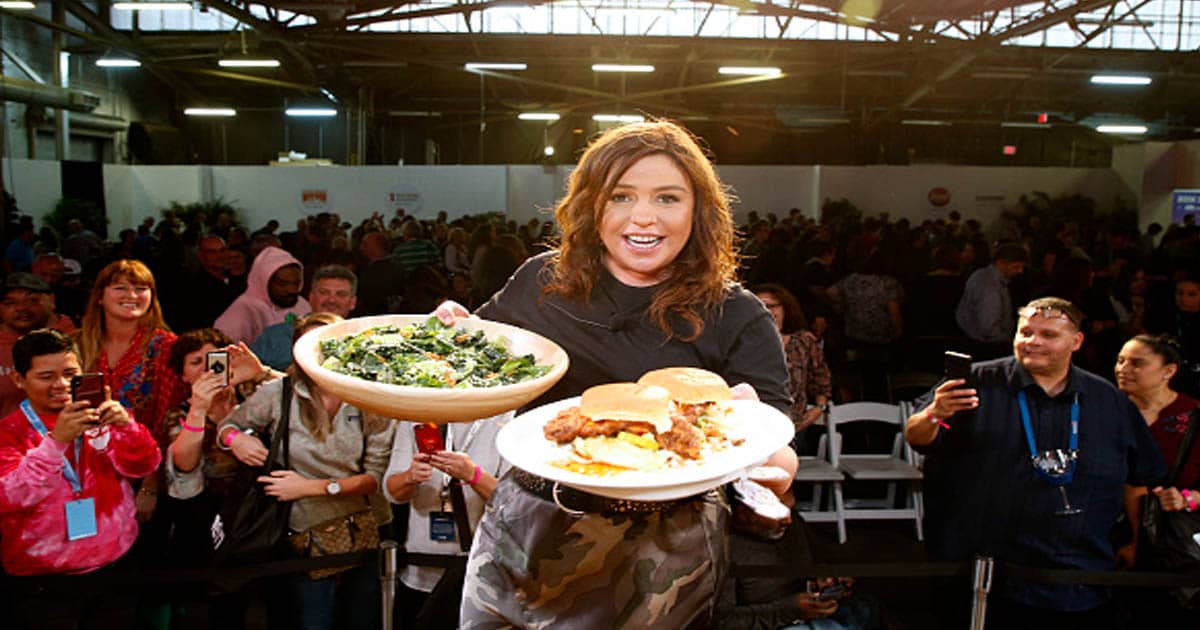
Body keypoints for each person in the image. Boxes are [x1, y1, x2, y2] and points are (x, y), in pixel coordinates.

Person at [441, 121, 794, 628]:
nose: (644, 217)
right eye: (621, 196)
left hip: (661, 554)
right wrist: (448, 336)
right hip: (524, 527)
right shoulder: (541, 281)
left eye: (668, 198)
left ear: (699, 211)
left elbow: (776, 450)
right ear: (591, 205)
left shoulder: (736, 314)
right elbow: (479, 368)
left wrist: (764, 467)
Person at [905, 297, 1166, 628]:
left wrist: (1135, 540)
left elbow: (1141, 474)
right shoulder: (977, 382)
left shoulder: (1107, 400)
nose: (1033, 342)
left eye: (1048, 335)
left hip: (1080, 574)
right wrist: (934, 413)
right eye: (1025, 331)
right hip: (987, 574)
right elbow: (915, 436)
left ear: (1077, 342)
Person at [218, 313, 396, 630]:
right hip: (304, 529)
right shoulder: (281, 393)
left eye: (331, 343)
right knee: (313, 619)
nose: (323, 352)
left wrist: (310, 487)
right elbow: (228, 426)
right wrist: (237, 440)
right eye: (312, 345)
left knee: (363, 618)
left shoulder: (372, 396)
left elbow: (374, 479)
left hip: (366, 524)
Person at [0, 329, 160, 628]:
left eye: (70, 373)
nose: (61, 385)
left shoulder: (102, 414)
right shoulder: (7, 433)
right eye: (46, 376)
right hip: (44, 580)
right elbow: (10, 497)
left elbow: (143, 464)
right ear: (19, 380)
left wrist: (127, 428)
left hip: (115, 567)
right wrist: (56, 442)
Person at [77, 259, 187, 523]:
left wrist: (150, 486)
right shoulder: (77, 343)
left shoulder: (166, 347)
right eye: (120, 288)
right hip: (83, 472)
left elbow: (167, 421)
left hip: (143, 473)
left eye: (140, 288)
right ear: (100, 297)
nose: (132, 296)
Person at [383, 414, 510, 629]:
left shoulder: (507, 421)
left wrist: (473, 475)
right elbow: (392, 492)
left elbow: (513, 503)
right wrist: (409, 477)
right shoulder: (417, 417)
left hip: (479, 576)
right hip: (419, 568)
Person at [1112, 334, 1199, 624]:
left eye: (1137, 363)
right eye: (1121, 360)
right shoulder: (1106, 409)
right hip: (1110, 533)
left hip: (1173, 543)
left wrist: (1191, 498)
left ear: (1168, 371)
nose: (1124, 369)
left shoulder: (1193, 416)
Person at [753, 283, 831, 437]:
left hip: (795, 424)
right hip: (754, 426)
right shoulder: (742, 343)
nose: (767, 310)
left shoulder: (804, 341)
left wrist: (819, 408)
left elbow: (821, 377)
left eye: (773, 306)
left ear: (785, 308)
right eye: (760, 305)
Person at [251, 264, 357, 370]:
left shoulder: (363, 341)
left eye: (341, 294)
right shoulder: (274, 336)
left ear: (353, 302)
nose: (332, 300)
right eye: (324, 293)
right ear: (311, 298)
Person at [0, 273, 77, 417]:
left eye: (32, 300)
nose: (21, 308)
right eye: (10, 303)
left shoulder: (81, 337)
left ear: (51, 300)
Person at [214, 246, 311, 344]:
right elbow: (216, 353)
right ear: (264, 282)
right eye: (283, 284)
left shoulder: (301, 304)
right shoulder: (243, 310)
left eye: (296, 283)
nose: (292, 290)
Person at [954, 242, 1029, 360]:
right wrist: (1007, 343)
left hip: (971, 338)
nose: (1020, 271)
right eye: (1016, 267)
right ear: (1001, 263)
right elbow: (989, 327)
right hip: (988, 347)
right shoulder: (991, 290)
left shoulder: (980, 274)